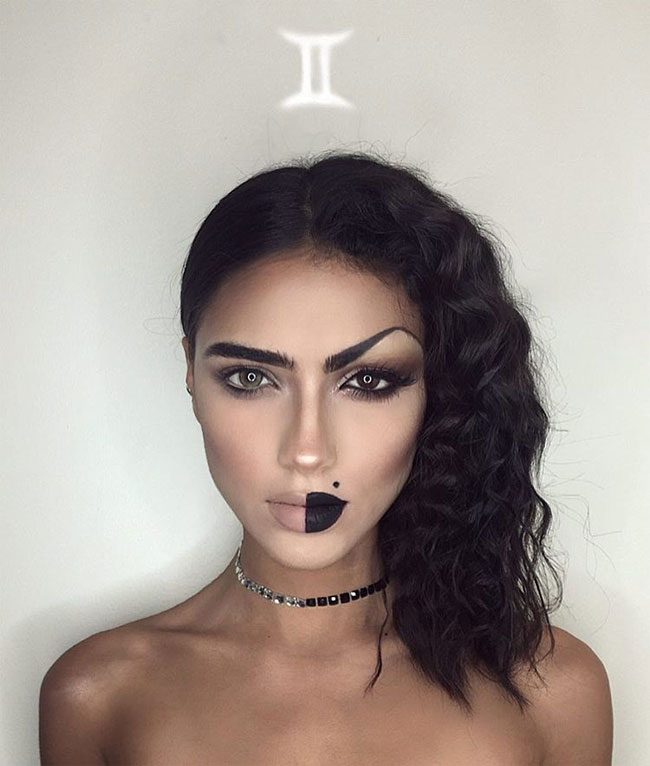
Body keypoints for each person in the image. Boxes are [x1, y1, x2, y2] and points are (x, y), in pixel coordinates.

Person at [39, 151, 613, 764]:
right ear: (190, 371)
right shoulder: (99, 698)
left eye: (368, 381)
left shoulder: (553, 692)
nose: (307, 451)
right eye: (250, 378)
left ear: (436, 391)